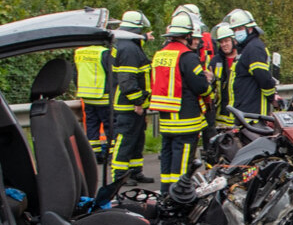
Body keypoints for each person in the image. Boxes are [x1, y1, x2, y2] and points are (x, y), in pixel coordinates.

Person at [149, 12, 211, 194]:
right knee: (182, 166)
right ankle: (178, 198)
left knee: (167, 164)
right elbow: (200, 86)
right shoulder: (187, 57)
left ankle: (165, 194)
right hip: (185, 120)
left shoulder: (160, 55)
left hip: (166, 120)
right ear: (188, 35)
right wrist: (209, 84)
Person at [111, 10, 154, 184]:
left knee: (136, 139)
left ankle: (135, 171)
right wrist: (138, 101)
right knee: (126, 139)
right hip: (129, 105)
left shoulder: (126, 45)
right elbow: (127, 81)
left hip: (133, 104)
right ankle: (120, 175)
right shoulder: (129, 49)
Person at [227, 8, 276, 116]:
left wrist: (271, 96)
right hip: (245, 109)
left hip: (253, 113)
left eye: (240, 28)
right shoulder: (246, 48)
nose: (237, 32)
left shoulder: (254, 48)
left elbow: (262, 76)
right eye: (234, 30)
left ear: (250, 29)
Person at [74, 43, 113, 162]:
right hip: (103, 95)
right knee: (109, 126)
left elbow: (75, 73)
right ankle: (110, 154)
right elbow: (112, 74)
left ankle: (94, 155)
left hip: (86, 96)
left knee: (92, 126)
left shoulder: (79, 52)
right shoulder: (105, 53)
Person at [209, 23, 238, 131]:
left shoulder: (242, 59)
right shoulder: (216, 61)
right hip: (220, 114)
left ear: (234, 41)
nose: (224, 44)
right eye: (221, 42)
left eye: (227, 41)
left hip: (238, 113)